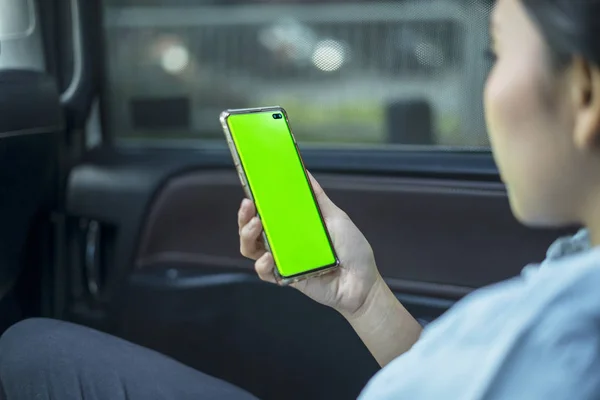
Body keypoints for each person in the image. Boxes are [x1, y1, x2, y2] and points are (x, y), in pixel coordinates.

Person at [2, 0, 600, 398]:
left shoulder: (563, 326)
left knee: (31, 354)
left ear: (584, 93)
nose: (487, 86)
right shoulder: (573, 270)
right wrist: (362, 297)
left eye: (495, 53)